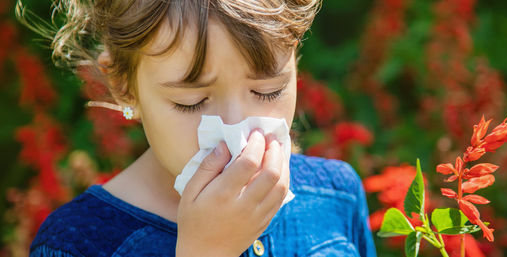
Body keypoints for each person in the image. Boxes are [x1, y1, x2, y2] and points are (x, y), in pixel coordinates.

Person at [18, 0, 377, 256]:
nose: (238, 129)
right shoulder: (76, 243)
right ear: (123, 84)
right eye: (191, 101)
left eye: (268, 91)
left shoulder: (336, 196)